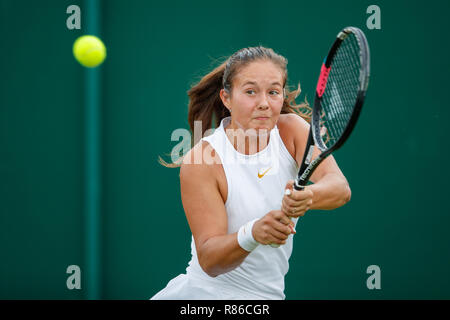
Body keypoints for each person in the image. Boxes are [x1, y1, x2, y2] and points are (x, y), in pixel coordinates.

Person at [151, 46, 351, 300]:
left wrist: (307, 196)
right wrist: (252, 233)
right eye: (250, 92)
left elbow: (339, 189)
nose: (264, 103)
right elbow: (210, 260)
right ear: (226, 98)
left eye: (273, 92)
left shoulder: (292, 131)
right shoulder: (203, 160)